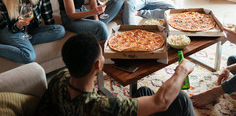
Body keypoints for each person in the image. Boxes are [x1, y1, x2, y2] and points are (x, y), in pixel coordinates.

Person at [38, 32, 196, 116]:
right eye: (102, 54)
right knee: (181, 99)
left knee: (143, 92)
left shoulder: (58, 79)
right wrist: (182, 70)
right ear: (98, 64)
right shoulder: (101, 107)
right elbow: (160, 102)